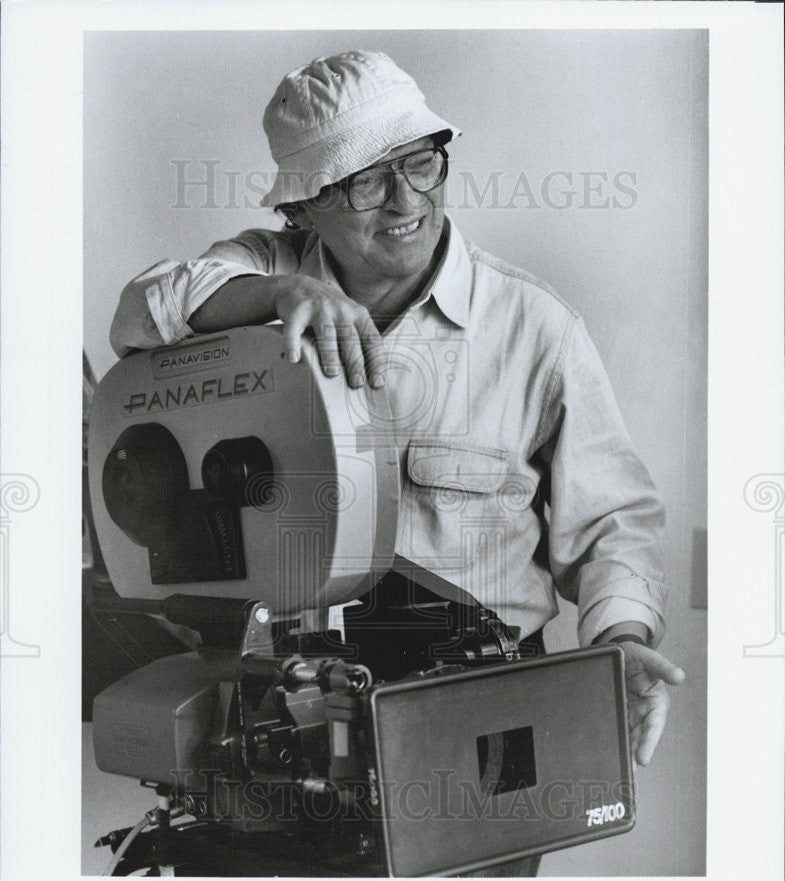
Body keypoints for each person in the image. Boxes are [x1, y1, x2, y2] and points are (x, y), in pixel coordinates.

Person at [110, 49, 684, 793]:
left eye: (419, 164)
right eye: (363, 180)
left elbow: (614, 525)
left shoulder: (535, 327)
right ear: (302, 206)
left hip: (483, 706)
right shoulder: (260, 273)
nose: (405, 201)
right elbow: (141, 310)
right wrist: (275, 297)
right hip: (291, 710)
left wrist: (621, 638)